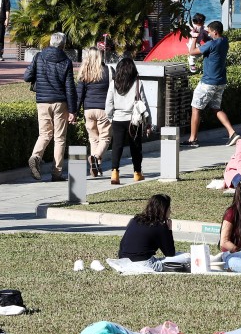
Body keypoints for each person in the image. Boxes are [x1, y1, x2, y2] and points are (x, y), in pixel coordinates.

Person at [23, 31, 77, 182]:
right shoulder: (66, 61)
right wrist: (73, 110)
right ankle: (57, 173)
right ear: (63, 45)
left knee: (45, 134)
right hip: (60, 102)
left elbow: (27, 76)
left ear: (50, 42)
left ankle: (35, 156)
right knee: (60, 138)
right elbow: (70, 87)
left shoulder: (39, 57)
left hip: (42, 101)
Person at [184, 20, 238, 148]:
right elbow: (210, 39)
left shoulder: (211, 45)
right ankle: (232, 133)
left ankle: (193, 139)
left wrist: (194, 37)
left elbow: (191, 52)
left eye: (209, 31)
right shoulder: (224, 41)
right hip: (220, 82)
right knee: (216, 108)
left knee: (196, 107)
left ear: (215, 32)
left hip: (208, 82)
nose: (208, 33)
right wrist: (204, 33)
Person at [105, 57, 152, 185]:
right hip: (133, 120)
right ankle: (137, 173)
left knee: (117, 146)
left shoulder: (113, 83)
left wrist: (109, 117)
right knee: (136, 147)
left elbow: (109, 103)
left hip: (117, 119)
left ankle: (115, 172)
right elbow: (144, 104)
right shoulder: (138, 83)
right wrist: (148, 121)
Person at [117, 194, 189, 271]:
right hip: (145, 265)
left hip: (124, 262)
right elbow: (170, 253)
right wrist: (169, 230)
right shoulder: (160, 226)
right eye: (169, 208)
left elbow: (122, 245)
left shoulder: (135, 220)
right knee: (187, 257)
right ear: (163, 210)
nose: (170, 211)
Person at [76, 47, 112, 177]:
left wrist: (74, 111)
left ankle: (95, 167)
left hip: (88, 110)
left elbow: (79, 94)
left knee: (94, 139)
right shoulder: (107, 71)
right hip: (103, 109)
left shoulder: (83, 72)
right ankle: (96, 157)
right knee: (105, 138)